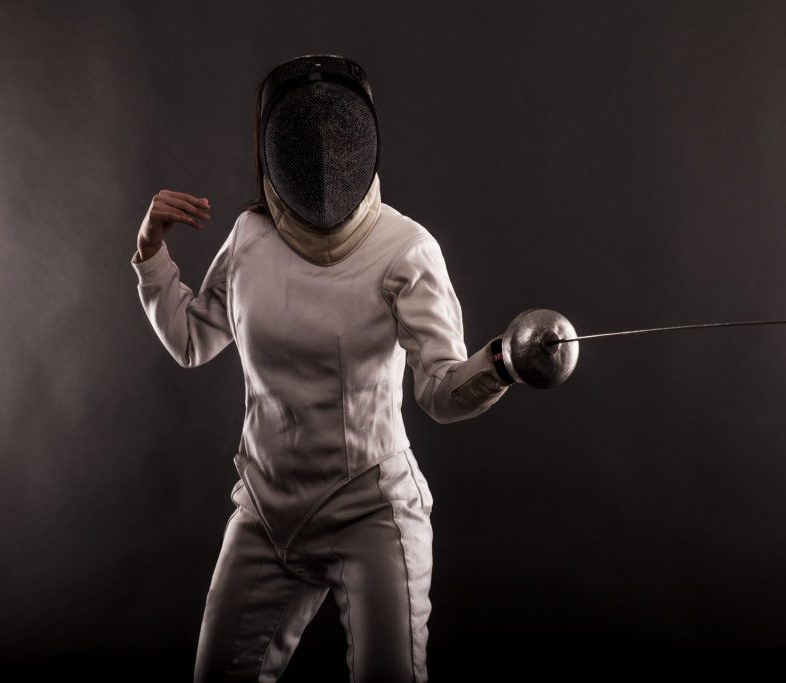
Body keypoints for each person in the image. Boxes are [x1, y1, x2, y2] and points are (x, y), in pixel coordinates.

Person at [131, 55, 515, 682]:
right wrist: (150, 254)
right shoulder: (250, 237)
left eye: (338, 135)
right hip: (266, 511)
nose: (322, 151)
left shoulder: (405, 248)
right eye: (304, 138)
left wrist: (502, 363)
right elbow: (193, 340)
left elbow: (441, 391)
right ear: (273, 146)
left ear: (362, 137)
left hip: (371, 515)